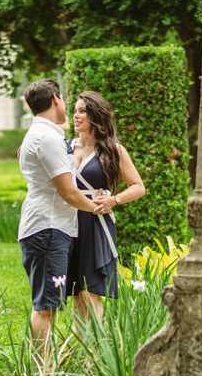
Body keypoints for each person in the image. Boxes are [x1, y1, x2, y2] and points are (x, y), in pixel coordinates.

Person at [17, 79, 112, 346]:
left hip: (49, 227)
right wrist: (99, 207)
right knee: (46, 308)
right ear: (56, 99)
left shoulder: (42, 135)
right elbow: (68, 193)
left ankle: (43, 374)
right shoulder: (47, 138)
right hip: (49, 229)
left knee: (48, 305)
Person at [66, 91, 146, 321]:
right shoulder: (66, 148)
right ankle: (81, 354)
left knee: (90, 293)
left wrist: (113, 200)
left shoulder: (113, 149)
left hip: (95, 224)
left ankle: (94, 355)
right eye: (75, 111)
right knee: (77, 295)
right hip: (69, 222)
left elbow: (138, 186)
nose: (76, 116)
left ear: (96, 116)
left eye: (82, 111)